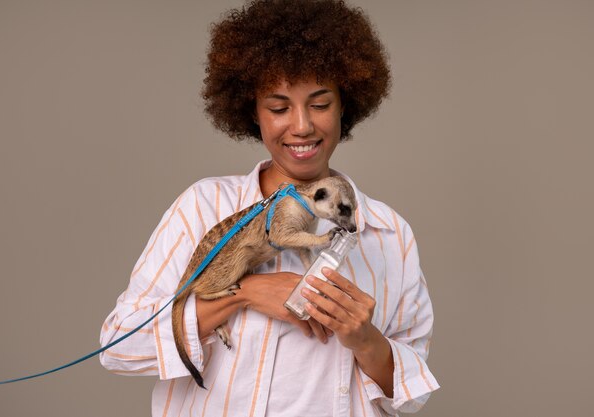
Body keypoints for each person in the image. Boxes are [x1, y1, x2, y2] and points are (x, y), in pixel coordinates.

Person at [99, 1, 439, 416]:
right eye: (279, 108)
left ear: (345, 104)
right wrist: (247, 293)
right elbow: (120, 347)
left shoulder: (389, 233)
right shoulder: (203, 206)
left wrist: (365, 339)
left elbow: (412, 395)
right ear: (254, 113)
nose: (301, 126)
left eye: (319, 104)